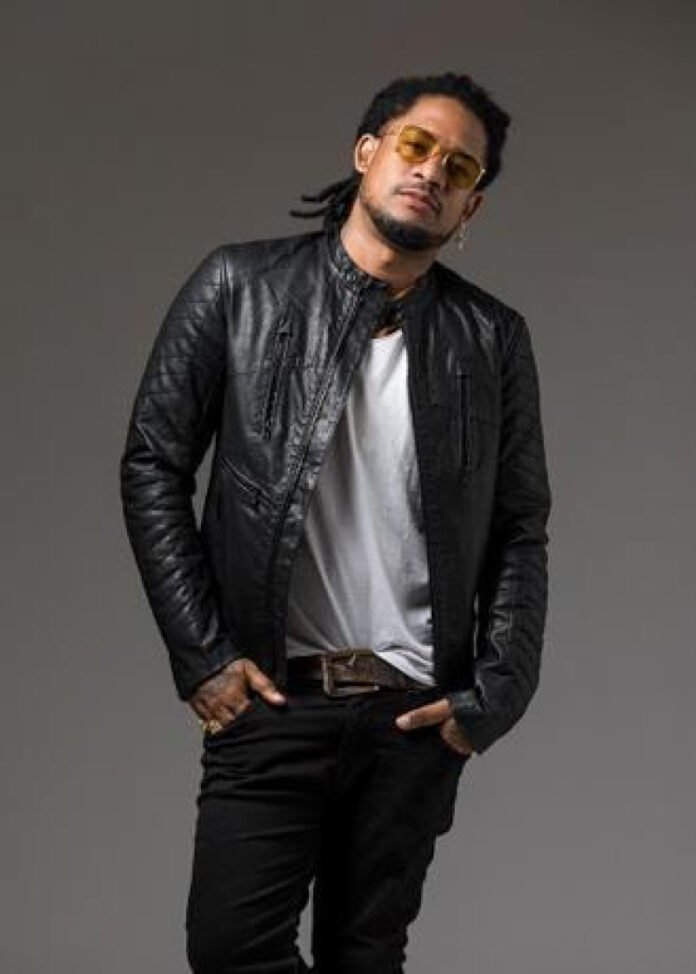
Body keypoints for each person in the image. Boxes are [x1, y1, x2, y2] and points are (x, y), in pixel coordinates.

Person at [120, 70, 552, 974]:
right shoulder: (238, 286)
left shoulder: (492, 338)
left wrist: (495, 694)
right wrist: (202, 654)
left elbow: (520, 525)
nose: (432, 172)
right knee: (231, 949)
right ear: (367, 153)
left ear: (471, 206)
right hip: (273, 697)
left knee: (367, 958)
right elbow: (153, 463)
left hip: (413, 716)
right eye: (416, 146)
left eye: (460, 168)